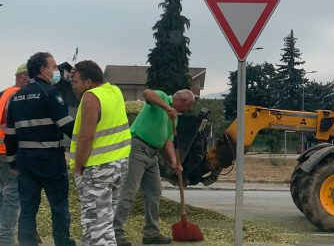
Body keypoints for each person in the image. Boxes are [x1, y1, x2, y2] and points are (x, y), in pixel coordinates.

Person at [4, 52, 76, 246]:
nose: (57, 71)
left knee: (27, 207)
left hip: (25, 160)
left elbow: (10, 134)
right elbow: (67, 126)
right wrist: (86, 140)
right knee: (59, 206)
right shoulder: (50, 93)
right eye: (54, 67)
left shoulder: (16, 97)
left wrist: (12, 161)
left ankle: (27, 242)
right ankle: (63, 242)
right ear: (43, 70)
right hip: (50, 159)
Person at [114, 89, 194, 246]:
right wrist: (166, 107)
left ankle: (151, 232)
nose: (189, 109)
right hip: (137, 148)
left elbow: (168, 140)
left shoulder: (174, 118)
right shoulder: (163, 97)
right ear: (183, 101)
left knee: (154, 192)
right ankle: (115, 232)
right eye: (189, 105)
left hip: (152, 155)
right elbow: (147, 93)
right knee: (129, 191)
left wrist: (174, 162)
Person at [70, 61, 131, 246]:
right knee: (100, 221)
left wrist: (78, 167)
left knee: (98, 226)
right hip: (119, 164)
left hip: (97, 168)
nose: (74, 85)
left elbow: (86, 137)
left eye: (76, 81)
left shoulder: (90, 97)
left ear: (88, 82)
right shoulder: (114, 92)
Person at [0, 63, 29, 246]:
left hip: (1, 150)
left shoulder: (4, 93)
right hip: (7, 151)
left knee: (3, 194)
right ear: (22, 76)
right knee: (12, 195)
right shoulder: (17, 96)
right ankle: (6, 239)